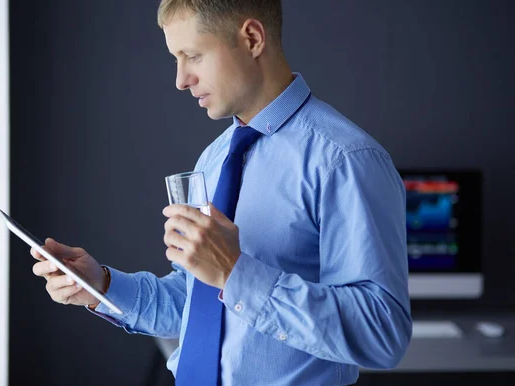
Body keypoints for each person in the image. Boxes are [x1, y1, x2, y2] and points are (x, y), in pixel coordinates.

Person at [31, 0, 412, 384]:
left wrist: (234, 271)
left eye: (193, 55)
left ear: (251, 38)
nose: (181, 79)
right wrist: (102, 287)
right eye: (175, 59)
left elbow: (382, 333)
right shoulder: (214, 158)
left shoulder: (346, 160)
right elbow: (196, 302)